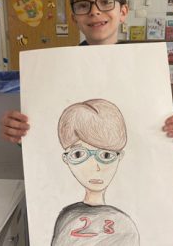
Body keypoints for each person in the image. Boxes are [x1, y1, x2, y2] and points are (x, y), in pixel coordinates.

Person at [1, 0, 173, 147]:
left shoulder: (143, 68)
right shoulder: (57, 72)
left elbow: (166, 129)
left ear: (123, 12)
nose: (94, 11)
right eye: (83, 5)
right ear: (74, 18)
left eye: (105, 2)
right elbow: (44, 131)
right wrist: (20, 132)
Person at [51, 99, 140, 245]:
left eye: (106, 155)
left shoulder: (124, 225)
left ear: (119, 157)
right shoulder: (67, 218)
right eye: (79, 154)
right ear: (66, 159)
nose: (96, 167)